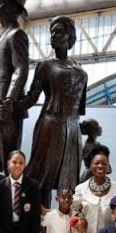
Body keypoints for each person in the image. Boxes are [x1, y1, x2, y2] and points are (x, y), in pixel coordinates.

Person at [18, 15, 88, 206]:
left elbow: (79, 108)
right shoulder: (45, 66)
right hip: (50, 126)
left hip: (72, 130)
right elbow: (32, 98)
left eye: (59, 31)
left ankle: (66, 224)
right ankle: (41, 221)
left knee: (69, 180)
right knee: (44, 178)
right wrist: (13, 103)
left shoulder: (81, 72)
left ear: (69, 35)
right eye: (52, 32)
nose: (54, 36)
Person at [0, 0, 29, 172]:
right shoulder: (3, 35)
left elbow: (21, 68)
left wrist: (10, 99)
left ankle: (9, 198)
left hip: (6, 109)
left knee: (7, 160)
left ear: (11, 9)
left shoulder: (16, 34)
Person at [72, 144, 116, 233]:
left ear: (108, 166)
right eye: (96, 163)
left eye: (104, 163)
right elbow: (74, 217)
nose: (100, 166)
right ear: (91, 166)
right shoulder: (80, 189)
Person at [80, 118, 104, 182]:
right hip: (90, 175)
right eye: (96, 125)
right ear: (92, 129)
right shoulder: (89, 145)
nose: (99, 128)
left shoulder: (96, 143)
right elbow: (81, 157)